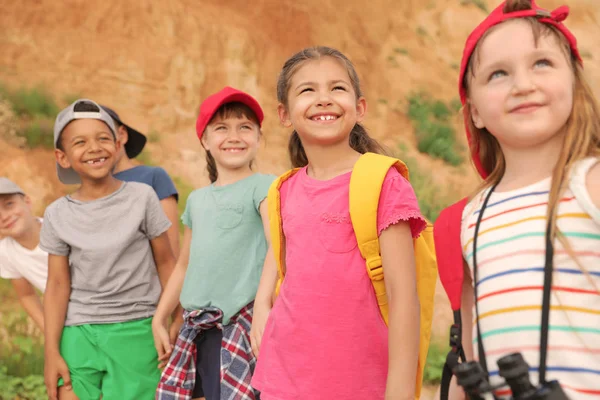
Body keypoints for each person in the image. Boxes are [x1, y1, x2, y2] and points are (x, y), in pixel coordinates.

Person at [250, 46, 427, 400]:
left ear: (359, 108)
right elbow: (282, 257)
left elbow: (404, 297)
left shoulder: (383, 182)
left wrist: (401, 392)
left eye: (337, 88)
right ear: (285, 114)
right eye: (307, 90)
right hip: (281, 380)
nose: (323, 99)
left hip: (359, 385)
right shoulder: (283, 189)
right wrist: (260, 309)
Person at [444, 0, 600, 398]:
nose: (522, 84)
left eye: (542, 63)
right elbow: (471, 348)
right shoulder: (470, 219)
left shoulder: (592, 183)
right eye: (498, 73)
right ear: (474, 111)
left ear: (574, 82)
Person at [40, 99, 177, 400]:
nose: (94, 147)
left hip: (139, 328)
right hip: (79, 330)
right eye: (80, 142)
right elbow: (57, 284)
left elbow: (167, 263)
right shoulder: (56, 213)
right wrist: (51, 351)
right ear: (62, 157)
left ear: (117, 145)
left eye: (103, 138)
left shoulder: (142, 197)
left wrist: (176, 318)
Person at [153, 87, 275, 400]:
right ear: (205, 141)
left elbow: (278, 246)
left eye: (244, 127)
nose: (234, 136)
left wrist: (263, 306)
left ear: (259, 137)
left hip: (246, 327)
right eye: (222, 128)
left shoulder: (265, 187)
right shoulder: (197, 200)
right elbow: (184, 264)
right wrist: (160, 315)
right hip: (201, 330)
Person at [100, 105, 180, 258]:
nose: (95, 146)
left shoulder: (153, 177)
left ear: (121, 135)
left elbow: (171, 249)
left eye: (103, 137)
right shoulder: (90, 190)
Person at [0, 178, 46, 330]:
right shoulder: (5, 252)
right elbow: (27, 295)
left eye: (9, 204)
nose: (4, 217)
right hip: (70, 321)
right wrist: (49, 331)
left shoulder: (60, 229)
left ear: (27, 201)